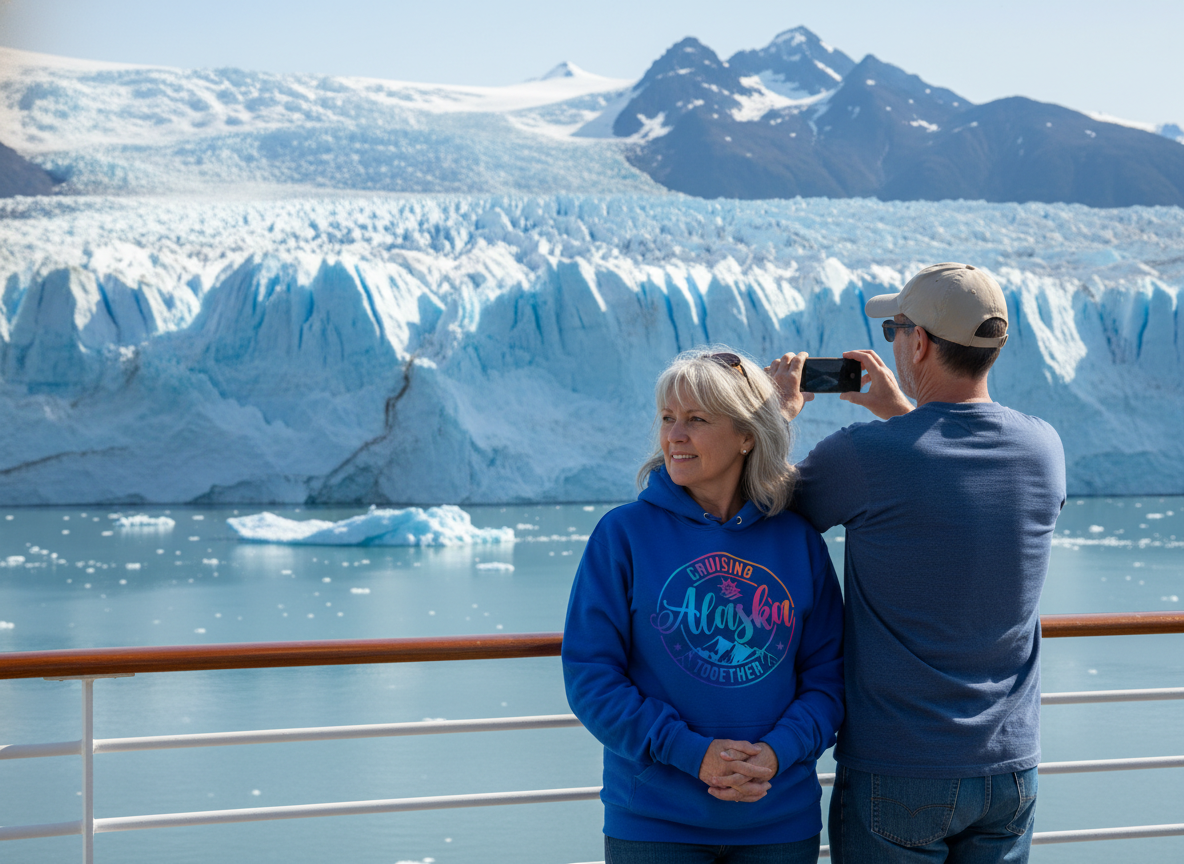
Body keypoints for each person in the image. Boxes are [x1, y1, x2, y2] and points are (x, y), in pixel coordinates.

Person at [768, 262, 1066, 864]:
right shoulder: (1043, 448)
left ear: (921, 343)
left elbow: (767, 508)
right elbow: (953, 467)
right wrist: (903, 409)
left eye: (895, 330)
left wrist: (775, 416)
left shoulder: (864, 455)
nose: (895, 342)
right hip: (1008, 771)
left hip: (900, 768)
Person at [562, 347, 844, 864]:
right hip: (654, 822)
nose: (674, 435)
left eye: (696, 419)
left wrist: (778, 752)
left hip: (777, 820)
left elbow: (828, 678)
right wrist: (692, 754)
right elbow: (591, 677)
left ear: (746, 435)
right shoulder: (623, 535)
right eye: (668, 419)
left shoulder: (798, 542)